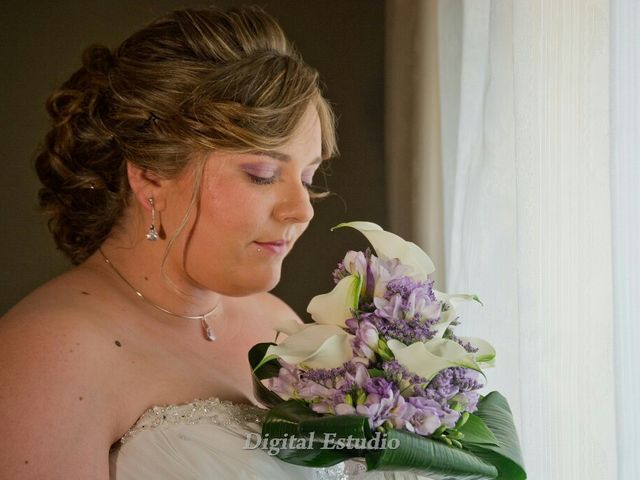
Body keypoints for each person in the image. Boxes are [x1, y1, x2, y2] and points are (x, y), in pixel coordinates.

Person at [0, 6, 427, 480]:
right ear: (151, 177)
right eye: (262, 175)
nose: (302, 209)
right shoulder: (51, 356)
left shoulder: (278, 325)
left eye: (307, 177)